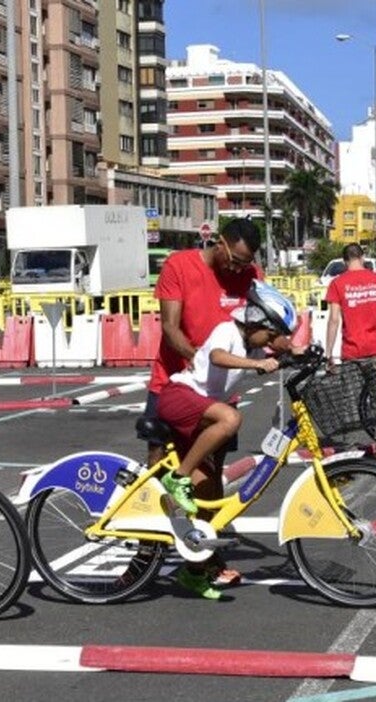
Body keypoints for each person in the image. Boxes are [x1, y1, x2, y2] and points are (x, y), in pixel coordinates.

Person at [142, 217, 266, 589]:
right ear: (220, 244)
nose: (239, 269)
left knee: (210, 480)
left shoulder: (249, 276)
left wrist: (282, 346)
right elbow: (170, 327)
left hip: (218, 394)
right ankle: (145, 552)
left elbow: (257, 326)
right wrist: (198, 357)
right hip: (174, 383)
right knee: (157, 473)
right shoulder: (180, 265)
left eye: (246, 264)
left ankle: (203, 560)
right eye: (236, 260)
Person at [156, 281, 295, 599]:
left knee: (210, 496)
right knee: (231, 418)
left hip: (200, 411)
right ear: (256, 323)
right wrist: (257, 363)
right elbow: (218, 356)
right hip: (179, 397)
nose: (272, 341)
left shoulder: (254, 345)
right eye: (270, 334)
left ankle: (194, 570)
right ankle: (177, 479)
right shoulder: (228, 331)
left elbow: (284, 347)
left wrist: (303, 353)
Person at [323, 243, 376, 464]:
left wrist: (328, 352)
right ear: (363, 257)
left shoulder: (337, 284)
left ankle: (350, 448)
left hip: (352, 351)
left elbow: (333, 320)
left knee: (350, 401)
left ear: (344, 261)